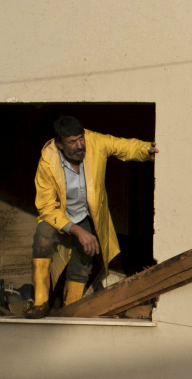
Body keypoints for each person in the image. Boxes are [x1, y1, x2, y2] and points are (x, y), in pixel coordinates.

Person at [26, 115, 157, 318]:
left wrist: (146, 149)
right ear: (60, 144)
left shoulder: (93, 141)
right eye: (72, 142)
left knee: (85, 257)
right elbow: (46, 208)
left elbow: (121, 146)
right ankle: (40, 303)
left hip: (85, 215)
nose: (80, 145)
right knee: (43, 236)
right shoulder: (47, 161)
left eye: (81, 138)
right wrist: (77, 231)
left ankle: (71, 307)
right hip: (59, 216)